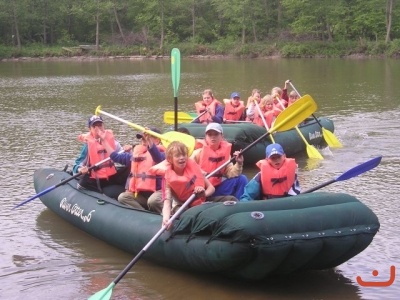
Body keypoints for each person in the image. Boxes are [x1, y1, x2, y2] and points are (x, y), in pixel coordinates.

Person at [149, 141, 237, 230]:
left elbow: (211, 188)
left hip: (202, 200)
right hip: (184, 205)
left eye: (184, 155)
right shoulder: (167, 179)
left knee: (231, 199)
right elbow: (167, 203)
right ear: (170, 159)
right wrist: (166, 219)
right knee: (188, 214)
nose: (182, 158)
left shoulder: (193, 167)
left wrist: (204, 194)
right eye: (177, 156)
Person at [99, 127, 165, 213]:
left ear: (157, 140)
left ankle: (166, 216)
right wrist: (104, 141)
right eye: (143, 139)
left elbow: (157, 157)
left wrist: (149, 142)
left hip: (158, 195)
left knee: (153, 200)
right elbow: (116, 157)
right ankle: (144, 216)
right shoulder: (136, 155)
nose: (144, 141)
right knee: (123, 197)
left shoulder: (163, 155)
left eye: (148, 138)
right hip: (143, 196)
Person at [73, 115, 130, 199]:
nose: (98, 129)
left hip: (111, 176)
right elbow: (77, 165)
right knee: (83, 182)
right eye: (94, 126)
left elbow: (121, 157)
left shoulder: (113, 142)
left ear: (104, 126)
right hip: (95, 179)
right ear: (90, 129)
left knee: (130, 166)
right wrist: (80, 169)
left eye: (100, 125)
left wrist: (127, 150)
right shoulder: (88, 145)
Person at [190, 123, 248, 199]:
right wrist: (198, 172)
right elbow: (188, 169)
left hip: (217, 188)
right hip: (201, 189)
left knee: (242, 179)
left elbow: (231, 174)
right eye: (209, 134)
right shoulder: (198, 153)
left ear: (222, 137)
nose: (212, 137)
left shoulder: (225, 154)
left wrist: (239, 163)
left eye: (216, 134)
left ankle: (241, 204)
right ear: (205, 137)